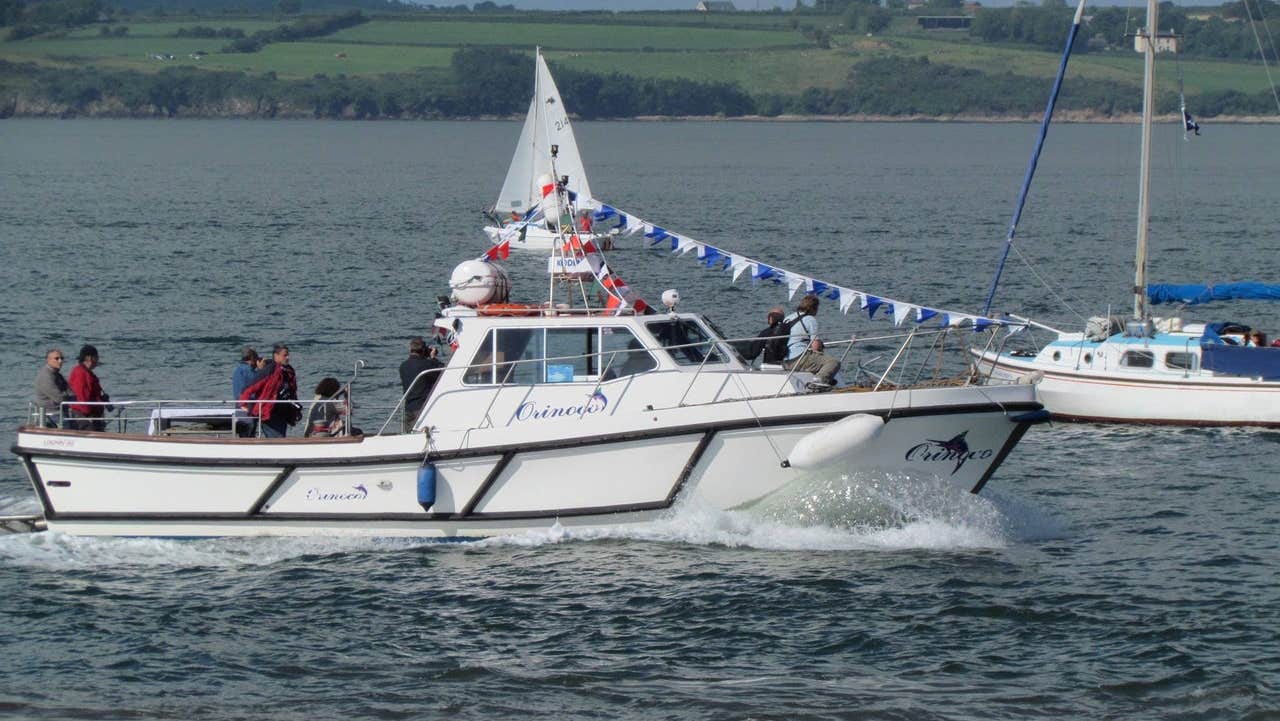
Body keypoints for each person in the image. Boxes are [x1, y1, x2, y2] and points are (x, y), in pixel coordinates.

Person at [782, 295, 840, 390]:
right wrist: (820, 346)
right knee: (833, 362)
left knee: (817, 359)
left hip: (786, 361)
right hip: (799, 359)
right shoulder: (810, 319)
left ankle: (824, 378)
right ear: (814, 308)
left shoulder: (788, 318)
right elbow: (815, 346)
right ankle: (819, 380)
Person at [240, 343, 299, 438]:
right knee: (278, 440)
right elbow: (251, 386)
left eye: (288, 355)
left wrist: (295, 408)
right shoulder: (270, 369)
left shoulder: (289, 371)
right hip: (269, 411)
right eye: (285, 355)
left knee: (281, 438)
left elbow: (293, 390)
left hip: (283, 412)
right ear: (276, 356)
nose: (288, 357)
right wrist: (243, 403)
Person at [399, 336, 444, 432]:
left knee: (409, 437)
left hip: (408, 408)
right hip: (422, 408)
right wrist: (433, 358)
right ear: (423, 350)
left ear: (410, 349)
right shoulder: (427, 364)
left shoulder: (403, 366)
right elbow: (442, 372)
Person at [67, 344, 109, 431]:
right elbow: (81, 395)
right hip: (82, 415)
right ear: (89, 358)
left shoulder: (86, 372)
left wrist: (101, 399)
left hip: (91, 413)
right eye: (96, 357)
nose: (98, 360)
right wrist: (87, 414)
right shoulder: (80, 373)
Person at [34, 348, 75, 428]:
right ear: (48, 360)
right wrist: (67, 395)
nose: (60, 361)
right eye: (57, 358)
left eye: (62, 358)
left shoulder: (57, 374)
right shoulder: (46, 376)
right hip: (51, 414)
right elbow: (59, 398)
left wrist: (67, 395)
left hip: (60, 412)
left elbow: (71, 392)